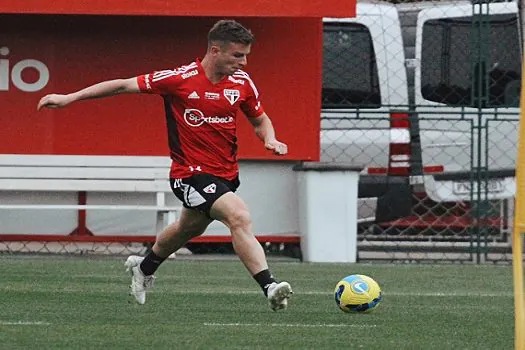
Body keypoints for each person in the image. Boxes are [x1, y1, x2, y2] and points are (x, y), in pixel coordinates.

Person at [37, 19, 293, 311]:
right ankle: (270, 287)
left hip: (226, 175)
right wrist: (69, 98)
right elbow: (122, 85)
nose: (244, 62)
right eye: (237, 55)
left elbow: (260, 120)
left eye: (246, 55)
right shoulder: (180, 78)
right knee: (239, 217)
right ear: (215, 50)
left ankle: (144, 268)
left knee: (186, 230)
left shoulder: (242, 83)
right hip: (189, 174)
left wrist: (270, 139)